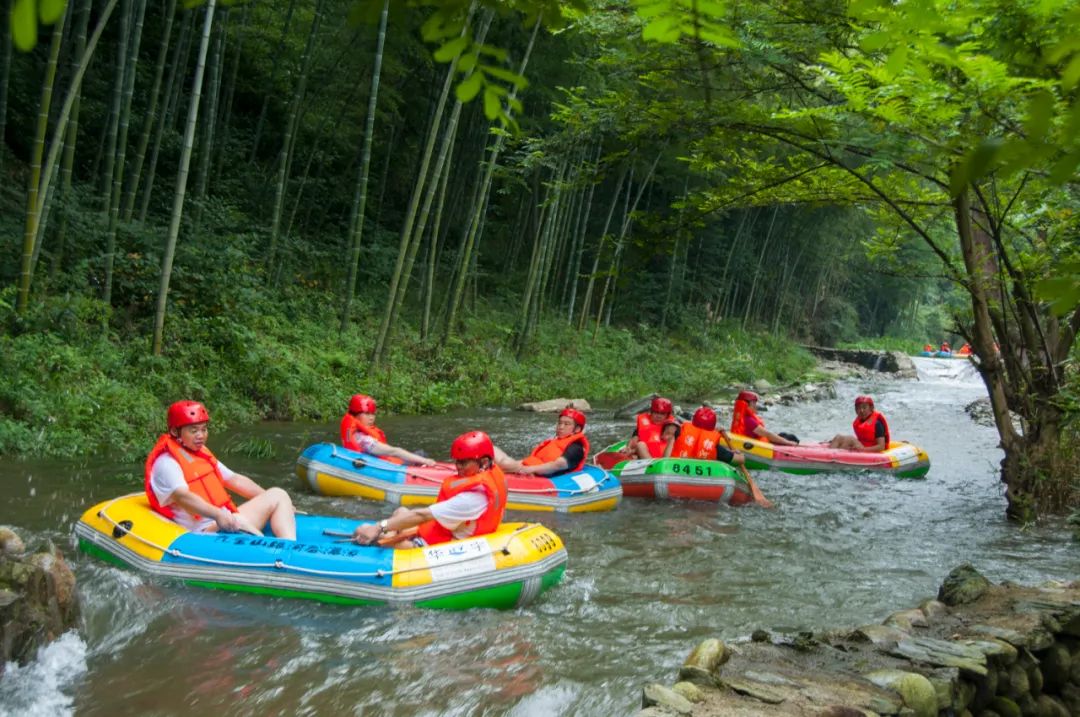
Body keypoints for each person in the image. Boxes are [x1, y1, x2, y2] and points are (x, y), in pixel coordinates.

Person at [146, 400, 297, 539]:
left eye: (204, 429)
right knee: (240, 522)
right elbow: (183, 497)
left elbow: (235, 480)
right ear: (174, 431)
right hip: (202, 533)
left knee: (278, 494)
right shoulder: (167, 463)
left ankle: (290, 547)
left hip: (226, 520)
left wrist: (282, 505)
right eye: (194, 431)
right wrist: (218, 515)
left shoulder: (200, 454)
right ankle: (279, 557)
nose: (201, 436)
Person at [352, 431, 507, 549]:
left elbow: (422, 515)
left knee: (375, 537)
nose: (458, 467)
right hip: (448, 529)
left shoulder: (472, 498)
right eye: (457, 461)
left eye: (464, 463)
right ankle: (389, 532)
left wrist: (379, 526)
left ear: (484, 462)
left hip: (441, 545)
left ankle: (378, 535)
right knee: (401, 511)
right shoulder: (492, 474)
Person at [340, 394, 436, 466]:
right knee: (422, 455)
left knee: (419, 454)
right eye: (367, 414)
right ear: (355, 415)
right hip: (389, 469)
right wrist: (425, 461)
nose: (371, 418)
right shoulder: (364, 440)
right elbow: (394, 451)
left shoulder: (355, 434)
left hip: (387, 462)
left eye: (373, 414)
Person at [495, 408, 590, 476]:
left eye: (566, 424)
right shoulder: (556, 442)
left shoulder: (576, 448)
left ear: (577, 429)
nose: (561, 427)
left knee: (504, 463)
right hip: (526, 467)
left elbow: (558, 465)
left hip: (534, 473)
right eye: (560, 423)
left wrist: (529, 469)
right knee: (493, 449)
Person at [667, 406, 746, 467]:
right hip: (702, 479)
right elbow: (741, 460)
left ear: (693, 421)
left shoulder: (679, 432)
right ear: (713, 426)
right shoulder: (714, 445)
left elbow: (666, 457)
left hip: (675, 470)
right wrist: (739, 453)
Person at [730, 390, 799, 446]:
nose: (755, 405)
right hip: (759, 447)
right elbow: (768, 434)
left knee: (783, 434)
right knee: (791, 438)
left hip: (750, 442)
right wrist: (788, 442)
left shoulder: (740, 418)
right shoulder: (748, 420)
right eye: (753, 403)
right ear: (746, 404)